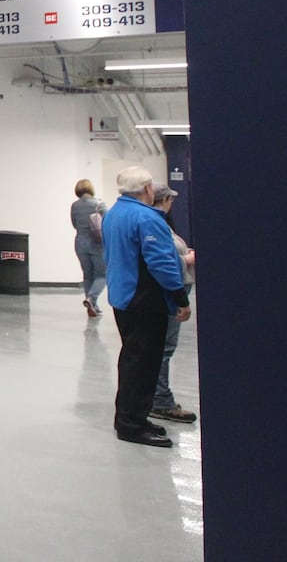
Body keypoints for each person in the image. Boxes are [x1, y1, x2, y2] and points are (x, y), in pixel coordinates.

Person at [102, 165, 191, 448]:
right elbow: (161, 262)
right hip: (143, 300)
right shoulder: (147, 218)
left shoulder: (113, 214)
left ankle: (133, 417)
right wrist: (180, 297)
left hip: (123, 297)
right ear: (148, 188)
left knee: (132, 360)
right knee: (143, 363)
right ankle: (131, 425)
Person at [149, 183, 198, 425]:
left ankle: (157, 398)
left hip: (171, 290)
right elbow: (161, 260)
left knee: (162, 349)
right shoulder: (157, 224)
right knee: (164, 349)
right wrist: (186, 259)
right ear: (164, 200)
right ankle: (161, 401)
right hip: (170, 293)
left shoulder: (161, 225)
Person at [70, 179, 110, 318]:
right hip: (97, 243)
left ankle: (93, 307)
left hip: (80, 242)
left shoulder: (74, 206)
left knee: (88, 275)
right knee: (102, 274)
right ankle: (92, 299)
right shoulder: (99, 204)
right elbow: (108, 222)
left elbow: (74, 224)